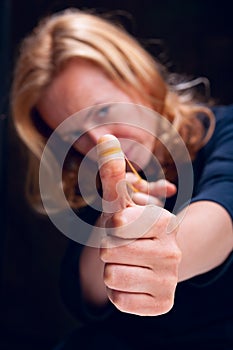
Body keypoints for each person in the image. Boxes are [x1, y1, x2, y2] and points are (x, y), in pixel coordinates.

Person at [11, 8, 233, 350]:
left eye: (102, 111)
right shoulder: (95, 179)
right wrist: (115, 221)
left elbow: (222, 212)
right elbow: (87, 292)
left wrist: (165, 247)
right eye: (73, 134)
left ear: (139, 79)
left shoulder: (225, 132)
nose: (99, 142)